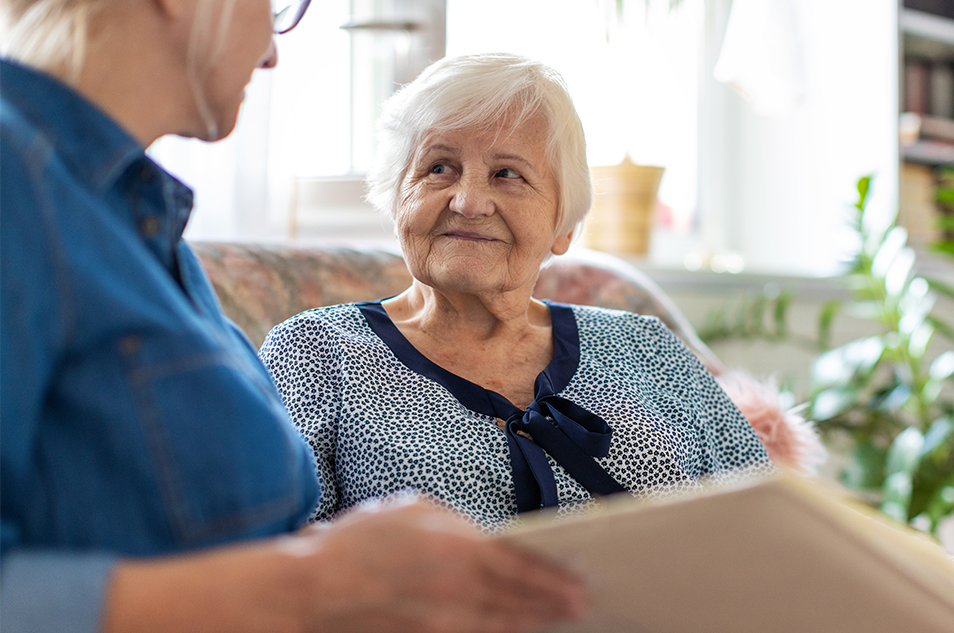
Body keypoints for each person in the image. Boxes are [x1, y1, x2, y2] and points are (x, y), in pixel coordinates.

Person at [0, 1, 585, 631]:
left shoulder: (141, 227)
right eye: (275, 4)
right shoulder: (15, 183)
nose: (274, 50)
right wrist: (311, 586)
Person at [259, 53, 775, 529]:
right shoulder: (316, 352)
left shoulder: (646, 346)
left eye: (508, 174)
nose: (468, 201)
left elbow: (768, 524)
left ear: (563, 225)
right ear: (396, 201)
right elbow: (273, 558)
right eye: (439, 168)